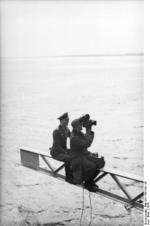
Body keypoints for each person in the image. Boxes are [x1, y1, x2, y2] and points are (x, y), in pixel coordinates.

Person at [70, 118, 105, 192]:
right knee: (92, 166)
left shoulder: (79, 133)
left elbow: (88, 142)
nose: (82, 126)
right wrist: (88, 130)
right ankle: (88, 184)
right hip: (77, 158)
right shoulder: (74, 137)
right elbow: (87, 143)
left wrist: (89, 130)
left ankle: (90, 180)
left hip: (83, 155)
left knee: (100, 162)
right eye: (80, 125)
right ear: (76, 126)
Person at [50, 112, 73, 183]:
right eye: (66, 120)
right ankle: (68, 178)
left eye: (68, 120)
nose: (68, 121)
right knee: (68, 158)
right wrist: (66, 153)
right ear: (61, 121)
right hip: (56, 152)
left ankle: (74, 175)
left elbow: (72, 138)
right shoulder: (56, 131)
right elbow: (57, 146)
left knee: (75, 154)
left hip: (63, 150)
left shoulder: (67, 129)